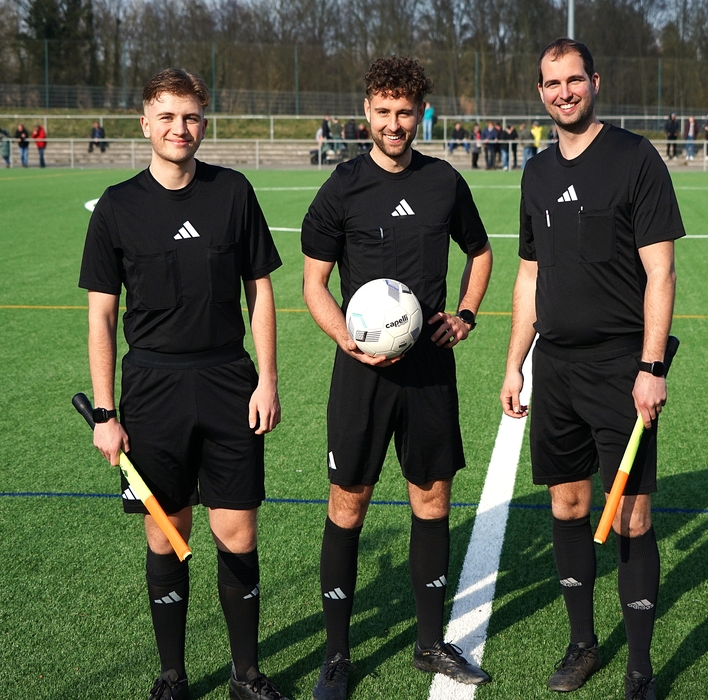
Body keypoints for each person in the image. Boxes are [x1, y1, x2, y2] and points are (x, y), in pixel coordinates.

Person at [78, 68, 287, 700]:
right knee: (166, 533)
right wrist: (106, 413)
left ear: (205, 123)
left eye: (191, 116)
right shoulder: (117, 206)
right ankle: (172, 675)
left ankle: (246, 675)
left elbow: (260, 291)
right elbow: (101, 316)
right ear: (145, 123)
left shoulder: (233, 192)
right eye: (167, 116)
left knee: (238, 533)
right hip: (151, 389)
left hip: (229, 382)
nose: (180, 128)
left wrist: (268, 379)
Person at [301, 55, 494, 700]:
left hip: (430, 370)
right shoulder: (342, 187)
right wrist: (346, 339)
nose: (393, 123)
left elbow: (481, 252)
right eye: (383, 111)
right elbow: (313, 283)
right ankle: (336, 655)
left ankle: (431, 643)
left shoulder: (443, 182)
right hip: (360, 377)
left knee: (432, 500)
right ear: (367, 112)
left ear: (420, 114)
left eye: (404, 113)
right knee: (347, 504)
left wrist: (466, 314)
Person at [502, 38, 683, 700]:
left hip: (619, 369)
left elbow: (660, 272)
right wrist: (514, 364)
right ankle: (583, 642)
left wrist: (651, 366)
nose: (565, 93)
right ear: (540, 93)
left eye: (574, 80)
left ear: (595, 82)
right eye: (552, 84)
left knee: (631, 515)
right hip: (556, 368)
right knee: (568, 503)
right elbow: (529, 275)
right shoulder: (536, 173)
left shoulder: (635, 158)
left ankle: (640, 668)